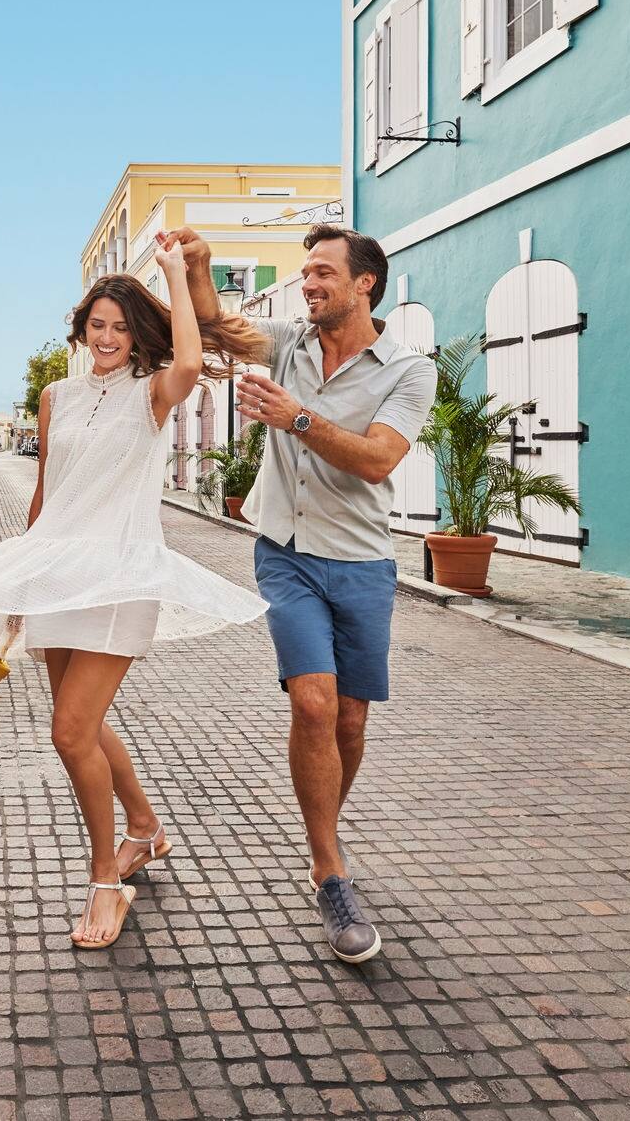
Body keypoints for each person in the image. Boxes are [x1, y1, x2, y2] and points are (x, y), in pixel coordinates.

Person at [0, 243, 269, 950]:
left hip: (118, 578)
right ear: (80, 329)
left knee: (68, 732)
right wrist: (20, 584)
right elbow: (45, 494)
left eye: (121, 328)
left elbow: (188, 363)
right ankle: (147, 832)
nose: (108, 339)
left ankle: (104, 880)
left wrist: (178, 277)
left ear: (137, 334)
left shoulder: (151, 393)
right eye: (97, 325)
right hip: (56, 576)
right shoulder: (55, 397)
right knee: (81, 724)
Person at [166, 225, 437, 965]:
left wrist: (299, 418)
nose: (309, 284)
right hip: (285, 552)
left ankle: (325, 832)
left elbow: (379, 461)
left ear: (364, 285)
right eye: (305, 274)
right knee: (314, 702)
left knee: (350, 721)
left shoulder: (408, 371)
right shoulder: (287, 340)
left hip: (362, 564)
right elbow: (218, 325)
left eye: (322, 273)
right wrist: (195, 264)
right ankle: (329, 870)